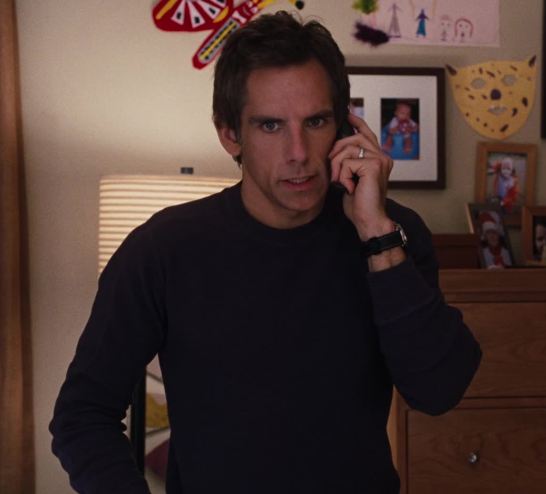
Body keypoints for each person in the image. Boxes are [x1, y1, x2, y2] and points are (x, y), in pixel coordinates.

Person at [49, 11, 481, 494]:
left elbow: (438, 391)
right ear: (230, 134)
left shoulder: (391, 234)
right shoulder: (163, 249)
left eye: (316, 121)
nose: (298, 152)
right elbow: (81, 416)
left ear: (345, 127)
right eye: (271, 125)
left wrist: (377, 235)